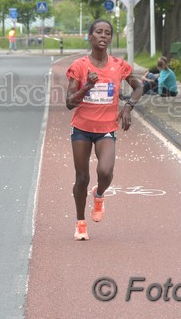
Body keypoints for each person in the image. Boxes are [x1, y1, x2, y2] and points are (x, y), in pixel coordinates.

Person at [66, 19, 143, 241]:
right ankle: (81, 223)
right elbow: (70, 102)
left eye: (107, 33)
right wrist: (87, 87)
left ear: (111, 38)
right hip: (81, 128)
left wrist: (128, 107)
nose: (103, 36)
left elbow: (139, 87)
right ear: (90, 37)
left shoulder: (119, 65)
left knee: (105, 172)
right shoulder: (79, 66)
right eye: (98, 32)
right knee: (82, 178)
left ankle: (99, 195)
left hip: (106, 128)